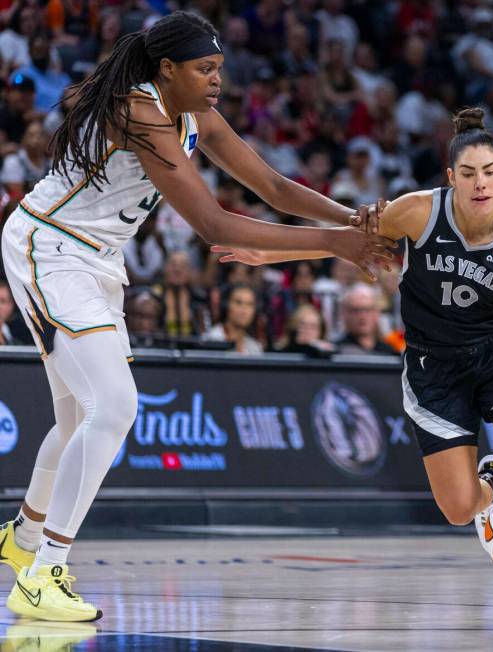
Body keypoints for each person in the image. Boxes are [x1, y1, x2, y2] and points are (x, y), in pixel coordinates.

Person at [0, 11, 392, 623]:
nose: (216, 81)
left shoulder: (194, 113)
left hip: (95, 255)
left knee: (78, 414)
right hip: (49, 246)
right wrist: (333, 246)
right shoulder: (138, 112)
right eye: (205, 69)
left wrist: (355, 221)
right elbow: (213, 226)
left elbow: (273, 185)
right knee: (115, 407)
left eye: (220, 70)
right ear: (167, 70)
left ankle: (22, 539)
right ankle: (45, 571)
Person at [214, 108, 493, 626]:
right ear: (451, 177)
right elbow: (347, 233)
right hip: (433, 369)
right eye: (469, 173)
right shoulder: (416, 212)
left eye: (490, 172)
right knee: (459, 509)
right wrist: (267, 253)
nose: (481, 183)